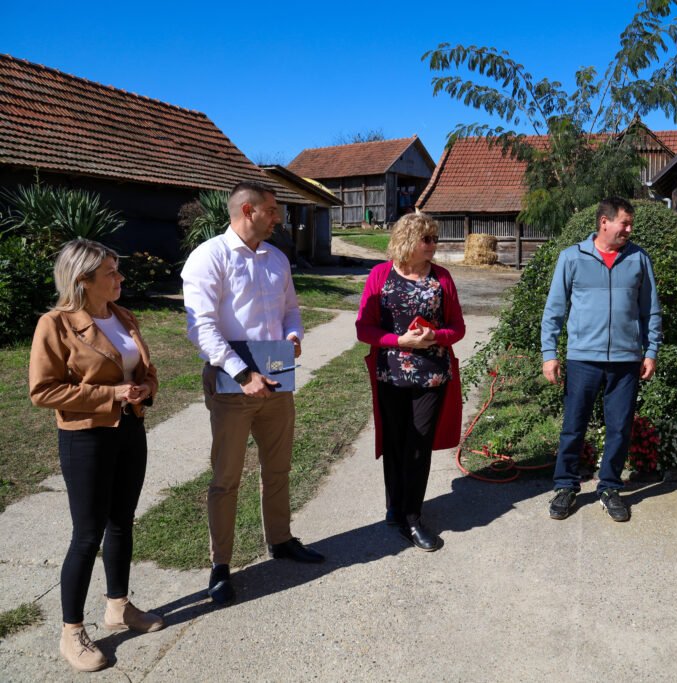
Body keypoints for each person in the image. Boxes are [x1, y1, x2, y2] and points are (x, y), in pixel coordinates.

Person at [182, 180, 324, 606]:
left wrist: (293, 334)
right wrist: (243, 374)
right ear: (248, 210)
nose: (278, 217)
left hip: (276, 375)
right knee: (226, 479)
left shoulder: (277, 257)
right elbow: (201, 327)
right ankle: (220, 565)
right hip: (232, 382)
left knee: (278, 467)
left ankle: (280, 540)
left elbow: (291, 309)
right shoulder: (209, 257)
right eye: (272, 210)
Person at [29, 239, 163, 672]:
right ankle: (71, 631)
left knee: (122, 521)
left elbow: (145, 370)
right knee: (87, 534)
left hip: (130, 430)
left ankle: (118, 606)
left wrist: (145, 388)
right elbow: (43, 390)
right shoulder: (55, 324)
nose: (120, 277)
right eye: (111, 272)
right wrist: (112, 394)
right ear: (83, 280)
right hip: (86, 437)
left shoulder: (123, 316)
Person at [541, 197, 661, 523]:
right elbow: (554, 310)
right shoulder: (572, 258)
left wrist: (650, 351)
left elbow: (650, 309)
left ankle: (609, 487)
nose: (630, 229)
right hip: (583, 358)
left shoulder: (638, 259)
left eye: (631, 224)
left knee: (620, 428)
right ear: (604, 222)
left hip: (626, 360)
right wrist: (549, 354)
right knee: (573, 426)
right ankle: (565, 486)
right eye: (625, 223)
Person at [355, 212, 465, 551]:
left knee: (418, 444)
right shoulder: (380, 275)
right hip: (390, 372)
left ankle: (413, 517)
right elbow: (364, 328)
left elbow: (458, 328)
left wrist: (436, 336)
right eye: (426, 239)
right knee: (395, 442)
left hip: (431, 374)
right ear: (407, 241)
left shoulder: (442, 278)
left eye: (435, 239)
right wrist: (398, 341)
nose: (433, 245)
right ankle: (395, 506)